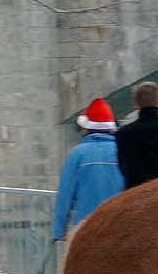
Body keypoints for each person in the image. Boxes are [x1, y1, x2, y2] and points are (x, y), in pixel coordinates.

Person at [52, 97, 126, 262]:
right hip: (119, 230)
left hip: (85, 231)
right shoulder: (124, 152)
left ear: (86, 128)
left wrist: (59, 232)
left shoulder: (77, 155)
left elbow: (65, 197)